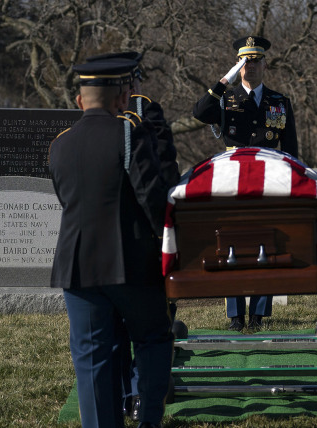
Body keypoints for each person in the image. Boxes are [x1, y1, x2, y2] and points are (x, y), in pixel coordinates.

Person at [49, 58, 176, 428]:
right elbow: (153, 199)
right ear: (124, 96)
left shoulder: (59, 145)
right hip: (132, 263)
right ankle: (148, 421)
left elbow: (66, 200)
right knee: (152, 339)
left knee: (92, 359)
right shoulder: (130, 132)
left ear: (79, 101)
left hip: (78, 267)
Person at [85, 51, 180, 423]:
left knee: (130, 328)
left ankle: (133, 394)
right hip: (133, 238)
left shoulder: (135, 114)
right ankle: (134, 394)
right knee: (135, 328)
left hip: (121, 239)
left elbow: (163, 170)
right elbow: (161, 172)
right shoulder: (135, 115)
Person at [193, 36, 298, 331]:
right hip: (233, 178)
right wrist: (223, 79)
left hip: (269, 177)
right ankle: (236, 315)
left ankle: (259, 314)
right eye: (245, 62)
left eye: (256, 61)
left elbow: (290, 147)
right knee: (231, 245)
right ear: (239, 66)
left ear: (265, 64)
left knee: (269, 241)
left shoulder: (279, 101)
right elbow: (200, 112)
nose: (251, 66)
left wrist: (291, 183)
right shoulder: (226, 98)